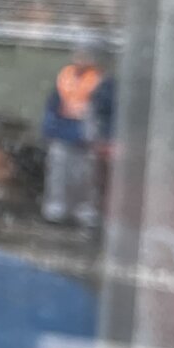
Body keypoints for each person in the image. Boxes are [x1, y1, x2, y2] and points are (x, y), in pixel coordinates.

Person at [40, 40, 106, 227]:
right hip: (63, 132)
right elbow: (53, 105)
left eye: (86, 55)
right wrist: (49, 128)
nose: (81, 59)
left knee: (85, 176)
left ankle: (84, 211)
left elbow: (103, 110)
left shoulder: (99, 80)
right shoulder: (64, 76)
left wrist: (100, 135)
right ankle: (57, 209)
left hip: (86, 136)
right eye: (79, 54)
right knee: (58, 174)